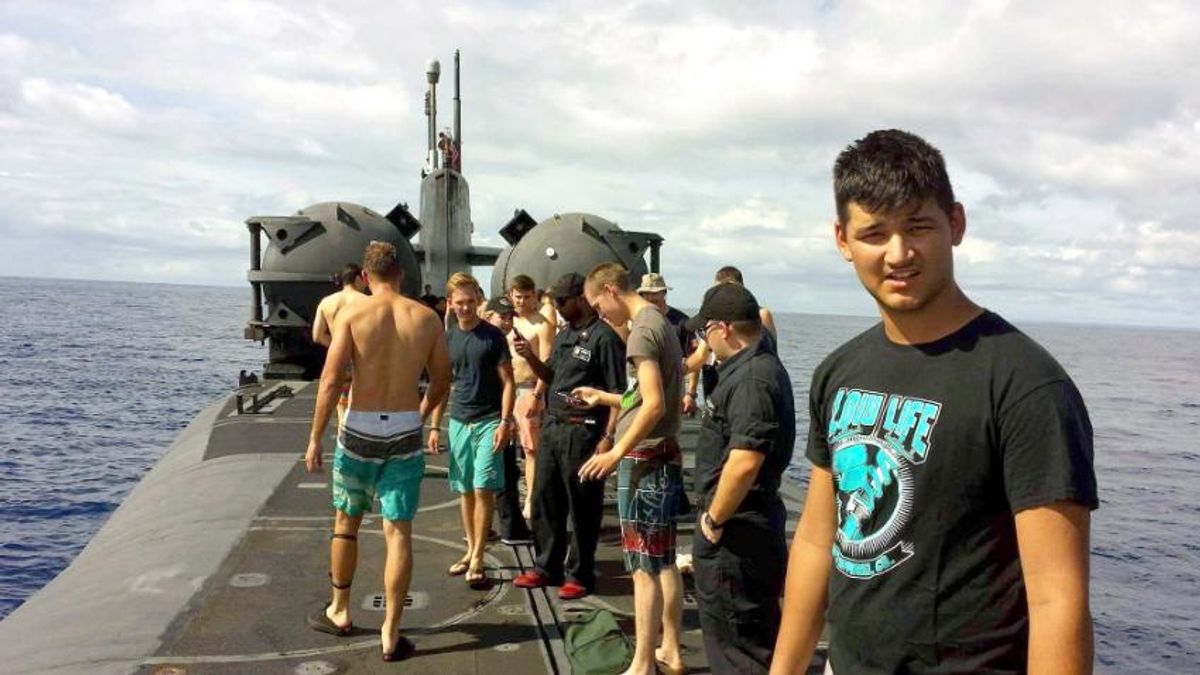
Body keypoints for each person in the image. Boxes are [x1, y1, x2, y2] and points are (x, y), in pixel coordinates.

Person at [770, 129, 1098, 675]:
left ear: (957, 224)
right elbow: (815, 540)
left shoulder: (1027, 386)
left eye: (918, 226)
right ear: (843, 240)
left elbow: (1057, 601)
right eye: (874, 233)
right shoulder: (839, 372)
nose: (898, 254)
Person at [303, 241, 450, 662]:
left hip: (360, 428)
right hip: (404, 425)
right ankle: (391, 630)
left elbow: (331, 381)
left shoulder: (352, 313)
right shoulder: (426, 317)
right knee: (398, 529)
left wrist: (315, 438)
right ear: (400, 274)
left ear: (365, 277)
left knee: (346, 521)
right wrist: (420, 416)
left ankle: (341, 609)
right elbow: (442, 379)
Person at [575, 262, 686, 675]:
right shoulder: (659, 322)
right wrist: (605, 398)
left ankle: (642, 665)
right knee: (663, 561)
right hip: (663, 456)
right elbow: (642, 395)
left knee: (642, 570)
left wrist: (615, 451)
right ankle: (670, 649)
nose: (601, 314)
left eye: (597, 305)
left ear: (609, 290)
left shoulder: (640, 331)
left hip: (644, 461)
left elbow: (654, 403)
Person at [683, 283, 794, 674]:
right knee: (743, 640)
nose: (704, 340)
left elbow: (746, 461)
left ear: (723, 328)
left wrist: (714, 519)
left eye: (704, 332)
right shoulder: (752, 368)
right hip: (743, 528)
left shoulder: (750, 380)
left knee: (739, 649)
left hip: (737, 532)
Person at [511, 273, 626, 600]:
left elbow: (618, 392)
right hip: (555, 427)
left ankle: (580, 572)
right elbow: (550, 376)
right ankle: (546, 566)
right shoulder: (564, 336)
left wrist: (607, 438)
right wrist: (529, 356)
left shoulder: (605, 339)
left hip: (585, 432)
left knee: (583, 507)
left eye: (562, 301)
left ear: (580, 298)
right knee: (545, 500)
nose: (558, 308)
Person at [429, 272, 515, 590]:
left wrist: (505, 422)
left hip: (489, 419)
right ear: (450, 304)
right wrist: (435, 425)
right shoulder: (448, 338)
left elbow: (508, 383)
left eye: (470, 302)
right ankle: (471, 548)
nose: (465, 308)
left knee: (483, 488)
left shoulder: (493, 336)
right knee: (465, 490)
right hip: (459, 420)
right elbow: (443, 385)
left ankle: (478, 555)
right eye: (459, 303)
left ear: (478, 301)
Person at [483, 296, 534, 545]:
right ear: (488, 316)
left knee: (497, 473)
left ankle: (488, 526)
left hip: (492, 413)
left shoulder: (487, 339)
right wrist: (505, 418)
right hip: (493, 415)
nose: (507, 321)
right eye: (501, 316)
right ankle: (511, 527)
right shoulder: (493, 342)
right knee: (503, 473)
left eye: (510, 317)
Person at [508, 274, 556, 520]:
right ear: (511, 296)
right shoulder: (507, 322)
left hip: (529, 389)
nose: (523, 302)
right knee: (507, 448)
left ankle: (531, 498)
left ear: (534, 296)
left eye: (527, 297)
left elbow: (547, 360)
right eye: (518, 297)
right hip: (507, 389)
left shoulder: (542, 324)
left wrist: (538, 394)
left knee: (531, 450)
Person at [312, 263, 369, 426]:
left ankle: (342, 436)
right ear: (358, 278)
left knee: (341, 403)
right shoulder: (367, 302)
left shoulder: (326, 302)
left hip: (337, 358)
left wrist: (337, 346)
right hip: (362, 359)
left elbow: (317, 335)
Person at [636, 272, 699, 415]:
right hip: (642, 391)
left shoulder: (682, 322)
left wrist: (691, 393)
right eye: (646, 293)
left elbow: (694, 357)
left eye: (656, 293)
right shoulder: (637, 320)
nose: (651, 297)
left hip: (672, 391)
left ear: (664, 293)